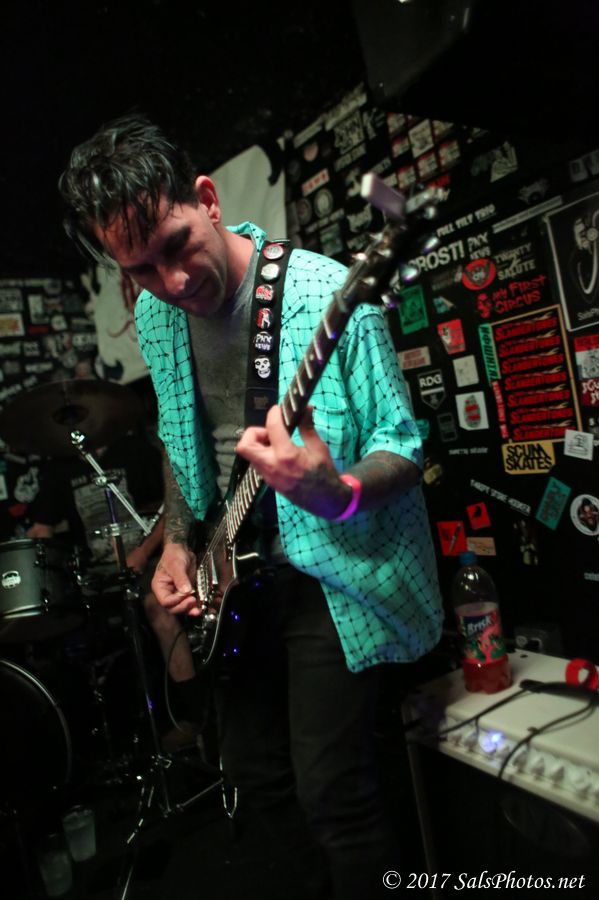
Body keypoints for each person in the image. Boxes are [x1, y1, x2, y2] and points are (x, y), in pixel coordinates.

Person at [59, 113, 443, 900]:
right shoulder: (159, 314)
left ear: (206, 199)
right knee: (256, 777)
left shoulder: (326, 295)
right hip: (238, 571)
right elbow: (179, 433)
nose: (172, 283)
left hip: (334, 571)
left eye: (176, 246)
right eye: (140, 269)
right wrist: (177, 542)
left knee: (334, 793)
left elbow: (404, 448)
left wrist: (336, 493)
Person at [27, 428, 205, 752]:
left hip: (147, 561)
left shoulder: (133, 450)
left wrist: (142, 552)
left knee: (157, 606)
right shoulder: (60, 469)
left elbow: (171, 508)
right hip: (96, 574)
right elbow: (41, 528)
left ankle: (193, 718)